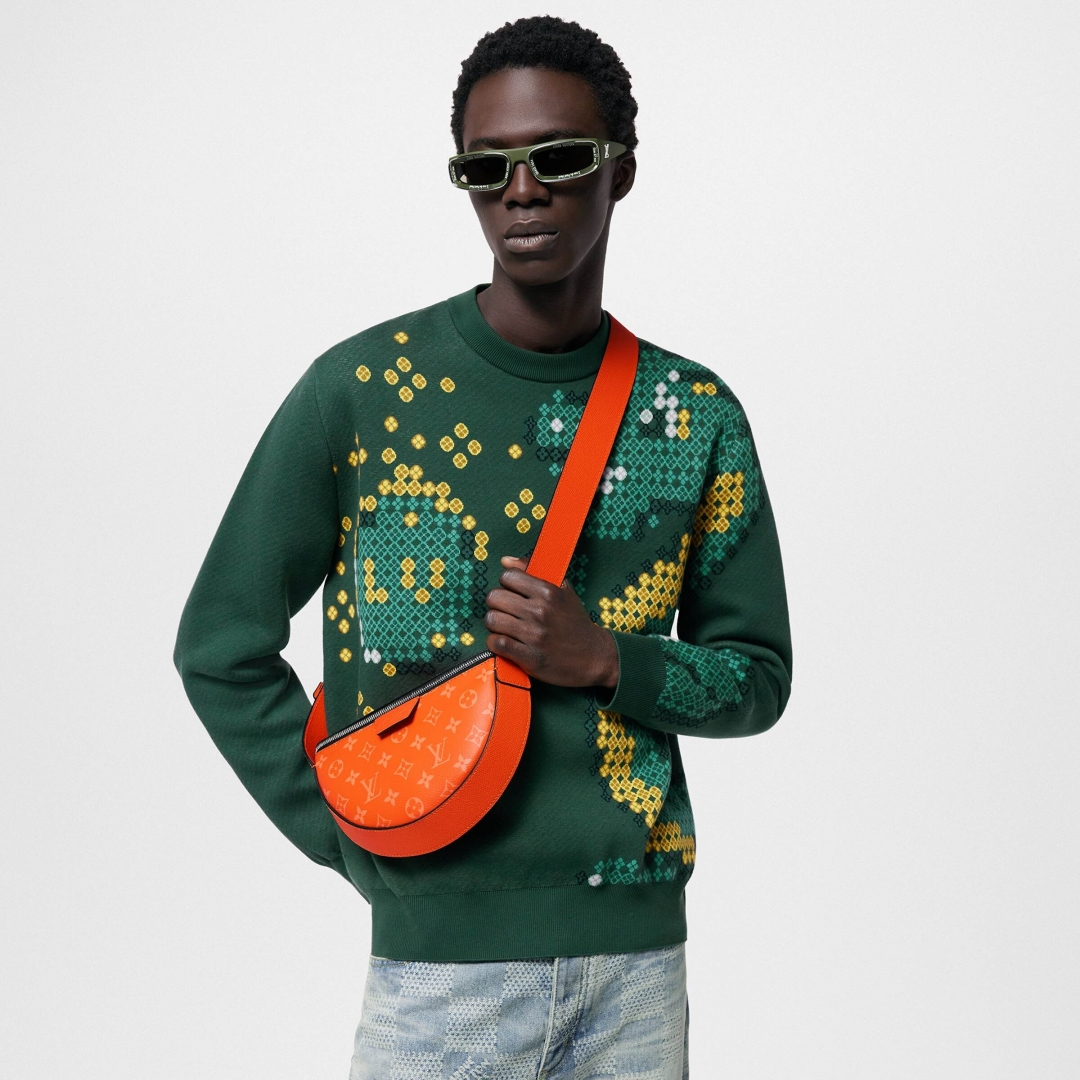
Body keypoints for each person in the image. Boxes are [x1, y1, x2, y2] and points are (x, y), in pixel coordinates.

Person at [174, 15, 792, 1079]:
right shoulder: (361, 393)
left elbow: (758, 678)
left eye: (560, 158)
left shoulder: (694, 415)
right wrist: (352, 839)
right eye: (486, 166)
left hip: (636, 969)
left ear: (622, 170)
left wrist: (608, 660)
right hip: (436, 980)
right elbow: (219, 645)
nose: (522, 191)